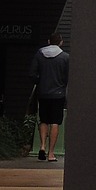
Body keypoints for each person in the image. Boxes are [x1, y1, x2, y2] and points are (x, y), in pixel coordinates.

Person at [29, 33, 69, 163]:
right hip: (58, 94)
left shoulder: (39, 54)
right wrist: (62, 85)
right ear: (61, 42)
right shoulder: (65, 57)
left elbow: (32, 73)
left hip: (43, 93)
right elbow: (68, 76)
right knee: (55, 122)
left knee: (44, 120)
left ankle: (42, 146)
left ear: (48, 41)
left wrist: (40, 82)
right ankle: (51, 153)